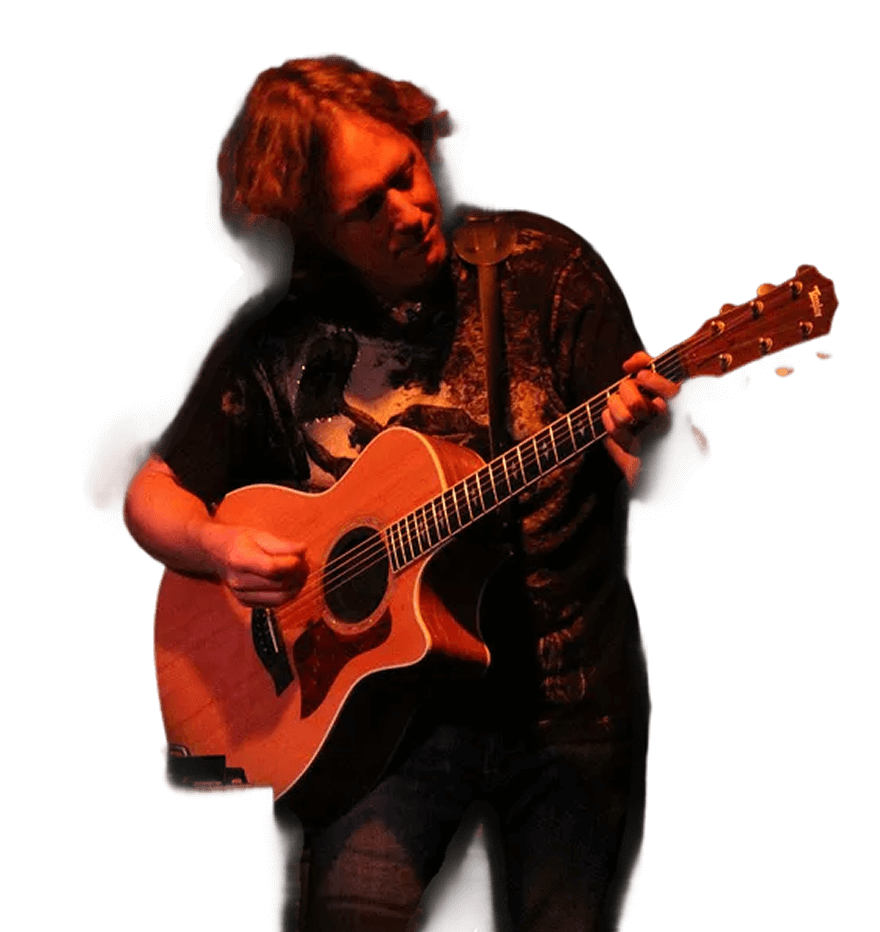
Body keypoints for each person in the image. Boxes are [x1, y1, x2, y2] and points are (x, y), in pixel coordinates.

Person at [123, 53, 686, 932]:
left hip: (571, 709)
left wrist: (649, 440)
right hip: (375, 729)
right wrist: (219, 547)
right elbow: (152, 492)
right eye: (366, 207)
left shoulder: (547, 273)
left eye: (408, 172)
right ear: (311, 229)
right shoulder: (276, 331)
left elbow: (644, 479)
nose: (411, 210)